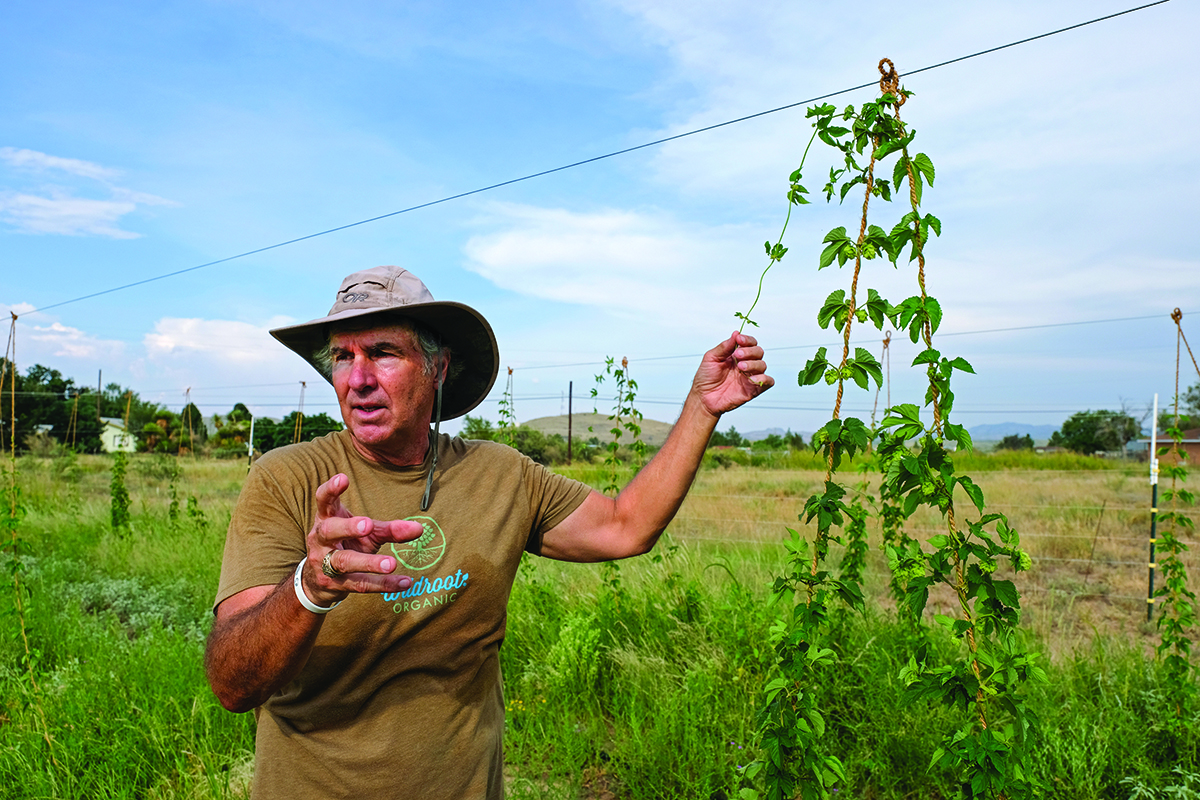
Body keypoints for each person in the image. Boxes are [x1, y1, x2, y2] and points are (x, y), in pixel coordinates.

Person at [204, 265, 773, 800]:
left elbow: (626, 527)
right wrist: (312, 585)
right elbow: (233, 685)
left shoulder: (500, 475)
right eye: (343, 357)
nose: (359, 380)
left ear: (439, 368)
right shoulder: (286, 480)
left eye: (383, 353)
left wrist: (702, 408)